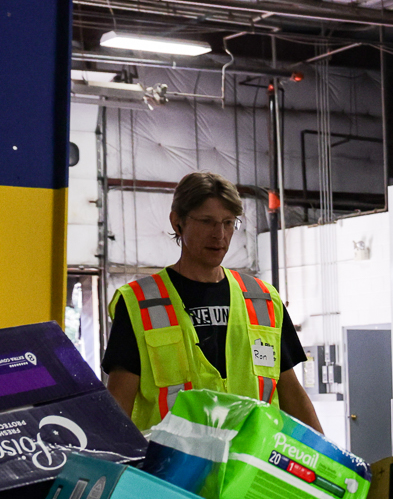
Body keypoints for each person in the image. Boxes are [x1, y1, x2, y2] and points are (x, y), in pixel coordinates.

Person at [103, 172, 322, 433]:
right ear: (177, 222)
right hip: (173, 471)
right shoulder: (140, 303)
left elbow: (291, 393)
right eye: (207, 222)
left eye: (228, 223)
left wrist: (329, 465)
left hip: (253, 469)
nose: (220, 234)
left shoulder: (263, 300)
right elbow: (118, 404)